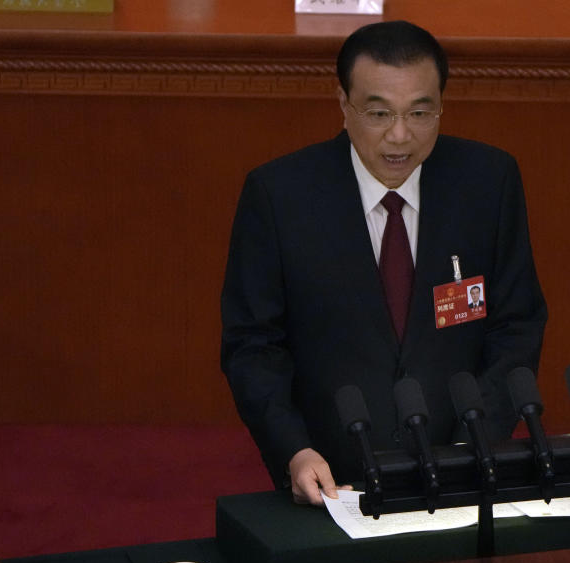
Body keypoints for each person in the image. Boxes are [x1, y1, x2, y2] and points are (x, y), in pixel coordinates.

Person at [220, 20, 546, 506]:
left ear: (441, 105)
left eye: (420, 112)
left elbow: (515, 324)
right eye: (378, 113)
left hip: (463, 470)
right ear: (343, 104)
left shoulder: (488, 182)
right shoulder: (279, 196)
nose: (400, 136)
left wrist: (472, 443)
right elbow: (252, 344)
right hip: (333, 481)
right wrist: (293, 449)